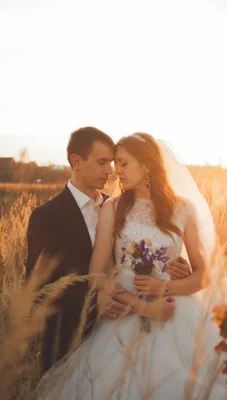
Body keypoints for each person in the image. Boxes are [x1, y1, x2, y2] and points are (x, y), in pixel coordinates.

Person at [34, 132, 227, 399]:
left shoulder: (183, 208)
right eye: (112, 163)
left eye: (122, 163)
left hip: (178, 311)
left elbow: (204, 275)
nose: (115, 170)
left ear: (146, 165)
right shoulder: (113, 207)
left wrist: (164, 286)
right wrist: (142, 305)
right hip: (125, 312)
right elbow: (98, 273)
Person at [26, 127, 192, 373]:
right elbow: (37, 289)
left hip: (126, 333)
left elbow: (139, 255)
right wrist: (93, 301)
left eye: (113, 162)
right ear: (76, 162)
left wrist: (176, 266)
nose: (111, 170)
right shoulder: (47, 216)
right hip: (69, 341)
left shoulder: (119, 207)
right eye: (102, 162)